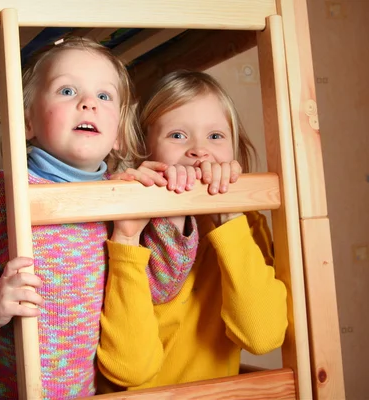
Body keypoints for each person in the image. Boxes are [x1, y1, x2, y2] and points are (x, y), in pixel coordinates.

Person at [0, 38, 199, 400]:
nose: (88, 103)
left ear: (118, 133)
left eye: (104, 96)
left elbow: (157, 288)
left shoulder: (122, 196)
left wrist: (171, 215)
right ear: (27, 122)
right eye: (67, 90)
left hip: (90, 390)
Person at [97, 70, 289, 392]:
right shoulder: (125, 220)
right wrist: (130, 236)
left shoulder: (246, 221)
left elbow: (263, 336)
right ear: (146, 150)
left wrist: (229, 217)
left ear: (235, 150)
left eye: (215, 137)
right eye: (177, 135)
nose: (199, 151)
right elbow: (128, 371)